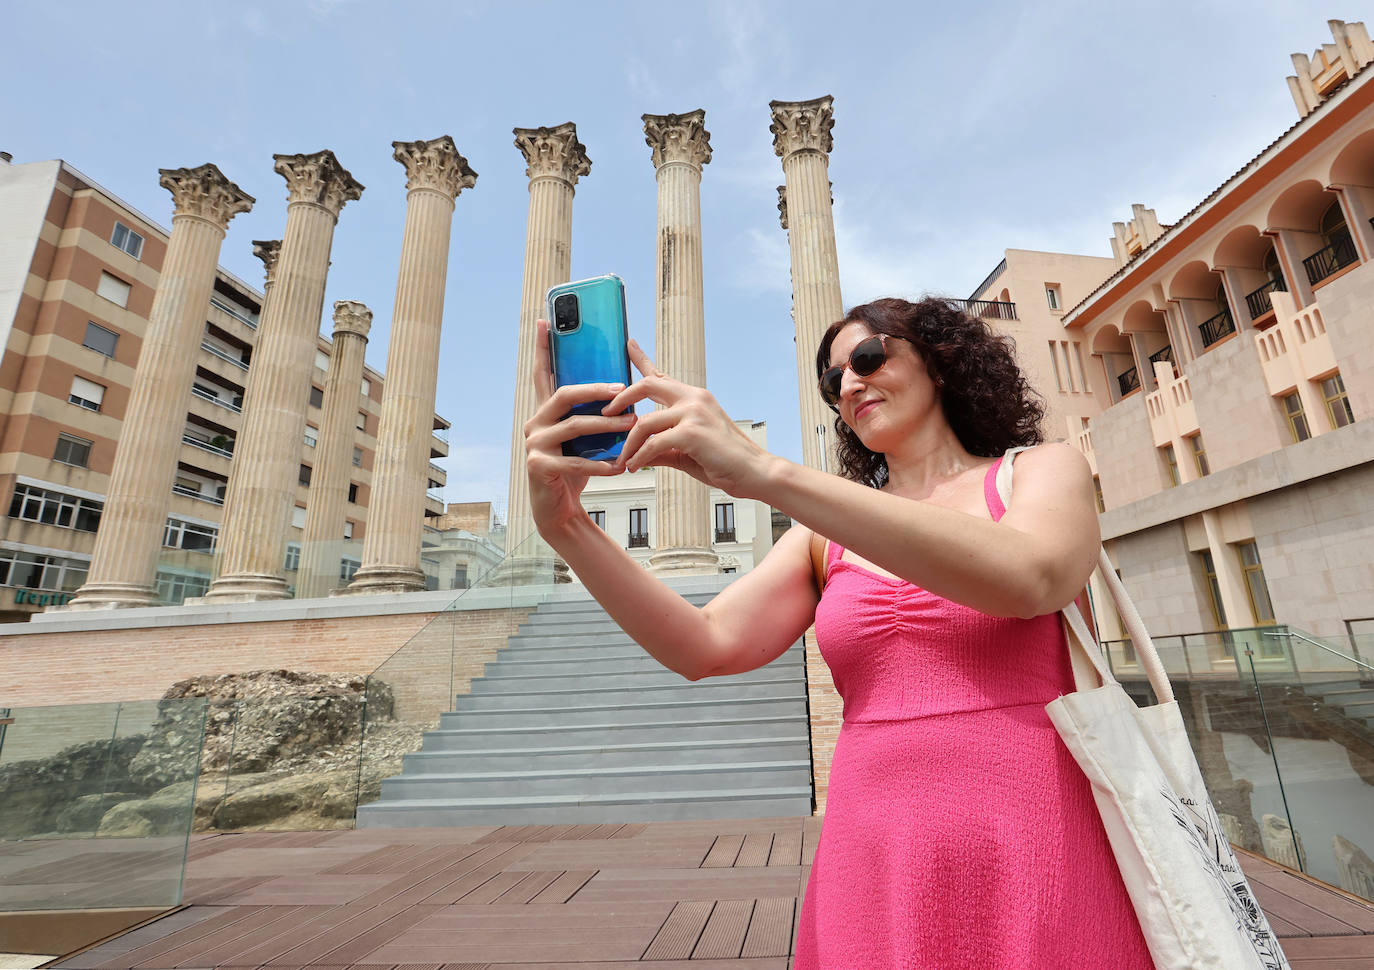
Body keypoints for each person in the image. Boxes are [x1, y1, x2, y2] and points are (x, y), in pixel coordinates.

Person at [524, 296, 1153, 968]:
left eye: (869, 356)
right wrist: (568, 529)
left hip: (1039, 833)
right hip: (874, 846)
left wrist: (767, 475)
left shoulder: (1038, 470)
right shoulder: (822, 537)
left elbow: (1037, 577)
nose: (849, 383)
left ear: (941, 363)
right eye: (832, 380)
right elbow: (702, 645)